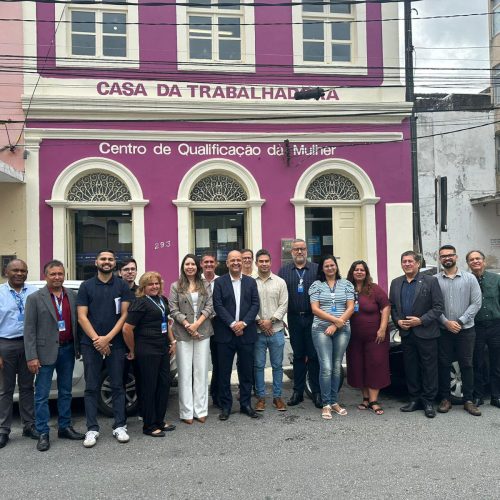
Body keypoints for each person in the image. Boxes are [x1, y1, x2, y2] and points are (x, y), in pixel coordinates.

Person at [24, 260, 85, 451]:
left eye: (60, 273)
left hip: (67, 349)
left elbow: (77, 322)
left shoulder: (72, 295)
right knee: (42, 395)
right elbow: (29, 330)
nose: (57, 277)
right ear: (46, 276)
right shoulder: (35, 298)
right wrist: (31, 356)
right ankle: (43, 432)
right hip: (44, 352)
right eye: (53, 274)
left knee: (66, 391)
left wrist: (79, 347)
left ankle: (64, 427)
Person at [77, 249, 134, 448]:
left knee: (118, 385)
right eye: (103, 259)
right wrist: (97, 340)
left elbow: (124, 315)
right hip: (91, 344)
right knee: (91, 387)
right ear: (96, 262)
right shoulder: (86, 286)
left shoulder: (122, 285)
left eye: (110, 259)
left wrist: (107, 338)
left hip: (115, 343)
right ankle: (92, 429)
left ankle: (120, 426)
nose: (107, 262)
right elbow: (81, 316)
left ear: (114, 263)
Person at [389, 251, 444, 418]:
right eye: (404, 261)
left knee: (429, 369)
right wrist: (398, 321)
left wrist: (420, 320)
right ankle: (414, 399)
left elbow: (438, 307)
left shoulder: (430, 281)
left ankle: (428, 401)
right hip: (406, 333)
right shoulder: (396, 282)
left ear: (418, 264)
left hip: (426, 332)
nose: (407, 264)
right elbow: (393, 307)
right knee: (410, 368)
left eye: (410, 261)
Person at [123, 272, 176, 437]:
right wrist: (132, 350)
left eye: (157, 283)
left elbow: (166, 322)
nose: (154, 286)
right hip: (146, 350)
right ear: (143, 287)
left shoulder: (162, 300)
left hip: (162, 348)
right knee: (148, 387)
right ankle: (149, 425)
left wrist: (173, 341)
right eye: (150, 284)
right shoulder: (140, 302)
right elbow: (127, 329)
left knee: (163, 385)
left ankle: (159, 420)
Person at [213, 250, 260, 420]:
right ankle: (226, 406)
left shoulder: (250, 282)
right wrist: (233, 324)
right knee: (224, 372)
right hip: (225, 333)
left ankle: (245, 404)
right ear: (227, 263)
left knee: (246, 371)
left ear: (243, 262)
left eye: (238, 260)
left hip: (246, 333)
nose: (236, 263)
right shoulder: (219, 282)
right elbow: (218, 305)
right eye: (232, 260)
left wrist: (244, 323)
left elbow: (255, 304)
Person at [436, 245, 482, 416]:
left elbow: (476, 303)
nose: (447, 258)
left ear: (456, 257)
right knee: (443, 364)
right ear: (440, 259)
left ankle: (468, 400)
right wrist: (445, 322)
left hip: (466, 330)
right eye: (443, 256)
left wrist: (460, 322)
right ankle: (445, 399)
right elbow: (433, 305)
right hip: (443, 330)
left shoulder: (470, 278)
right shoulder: (434, 280)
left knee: (467, 364)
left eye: (450, 255)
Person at [169, 254, 214, 424]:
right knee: (185, 372)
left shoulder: (205, 284)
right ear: (183, 267)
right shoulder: (176, 286)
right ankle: (186, 412)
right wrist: (188, 325)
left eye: (193, 264)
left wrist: (197, 325)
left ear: (197, 267)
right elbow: (173, 309)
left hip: (202, 330)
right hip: (183, 332)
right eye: (187, 264)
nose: (190, 267)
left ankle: (200, 410)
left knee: (201, 371)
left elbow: (210, 306)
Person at [309, 255, 354, 420]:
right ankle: (326, 403)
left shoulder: (346, 284)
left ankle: (334, 402)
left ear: (336, 266)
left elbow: (350, 307)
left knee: (336, 366)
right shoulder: (316, 285)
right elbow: (315, 309)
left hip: (342, 329)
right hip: (321, 329)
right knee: (326, 366)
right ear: (322, 268)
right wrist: (335, 321)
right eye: (326, 266)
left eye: (332, 265)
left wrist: (336, 325)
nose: (330, 268)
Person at [278, 239, 321, 408]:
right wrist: (280, 318)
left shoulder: (316, 269)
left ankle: (316, 392)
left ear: (307, 251)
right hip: (294, 318)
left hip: (313, 318)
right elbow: (280, 297)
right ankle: (298, 392)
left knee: (313, 355)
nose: (299, 252)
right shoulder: (284, 271)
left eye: (302, 249)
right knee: (298, 356)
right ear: (292, 252)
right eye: (296, 249)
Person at [0, 259, 38, 449]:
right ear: (6, 272)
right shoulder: (0, 292)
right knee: (5, 390)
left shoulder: (34, 292)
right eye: (15, 270)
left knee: (27, 387)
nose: (19, 273)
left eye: (23, 270)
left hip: (28, 344)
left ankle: (29, 425)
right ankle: (3, 430)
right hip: (5, 344)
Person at [346, 260, 391, 415]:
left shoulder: (374, 288)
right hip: (354, 338)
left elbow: (386, 307)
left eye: (362, 270)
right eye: (356, 270)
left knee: (375, 365)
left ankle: (374, 401)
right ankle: (365, 398)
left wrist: (382, 328)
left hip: (376, 337)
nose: (359, 272)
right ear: (352, 272)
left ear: (366, 273)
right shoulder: (347, 289)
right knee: (359, 366)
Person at [253, 249, 289, 412]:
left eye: (266, 261)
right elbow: (248, 304)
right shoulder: (250, 282)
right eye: (261, 261)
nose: (264, 264)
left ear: (271, 262)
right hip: (257, 331)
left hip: (277, 330)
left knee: (277, 366)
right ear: (256, 263)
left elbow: (284, 304)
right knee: (259, 365)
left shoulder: (280, 282)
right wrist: (260, 322)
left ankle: (277, 397)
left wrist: (271, 321)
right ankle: (261, 398)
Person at [467, 250, 500, 409]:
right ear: (468, 264)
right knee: (477, 362)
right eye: (471, 259)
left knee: (496, 362)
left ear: (484, 261)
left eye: (478, 258)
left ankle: (496, 396)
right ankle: (478, 396)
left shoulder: (496, 279)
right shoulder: (467, 280)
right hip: (476, 327)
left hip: (496, 326)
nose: (475, 261)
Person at [200, 251, 220, 408]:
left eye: (211, 262)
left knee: (218, 362)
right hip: (199, 326)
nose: (209, 265)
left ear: (216, 264)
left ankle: (216, 394)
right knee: (199, 363)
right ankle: (199, 397)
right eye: (206, 262)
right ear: (201, 264)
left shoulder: (221, 281)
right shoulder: (195, 281)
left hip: (218, 325)